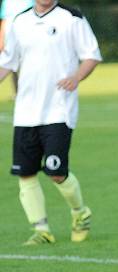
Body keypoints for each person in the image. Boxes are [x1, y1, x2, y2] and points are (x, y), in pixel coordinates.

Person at [0, 0, 101, 246]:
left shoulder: (71, 17)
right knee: (26, 174)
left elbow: (92, 55)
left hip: (58, 110)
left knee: (56, 172)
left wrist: (76, 77)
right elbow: (7, 62)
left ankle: (80, 213)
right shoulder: (20, 21)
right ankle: (42, 230)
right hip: (25, 113)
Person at [0, 0, 32, 94]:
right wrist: (2, 39)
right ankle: (18, 91)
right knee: (11, 65)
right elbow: (4, 20)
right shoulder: (7, 1)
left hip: (27, 36)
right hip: (10, 37)